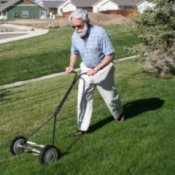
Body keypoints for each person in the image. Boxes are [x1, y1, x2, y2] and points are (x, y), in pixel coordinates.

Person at [65, 9, 125, 136]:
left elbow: (110, 56)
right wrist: (71, 66)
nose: (76, 29)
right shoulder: (75, 36)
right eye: (73, 27)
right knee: (82, 98)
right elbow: (74, 52)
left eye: (79, 26)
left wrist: (96, 69)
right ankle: (81, 127)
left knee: (110, 98)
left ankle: (119, 114)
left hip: (103, 69)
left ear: (86, 21)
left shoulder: (100, 32)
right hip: (86, 69)